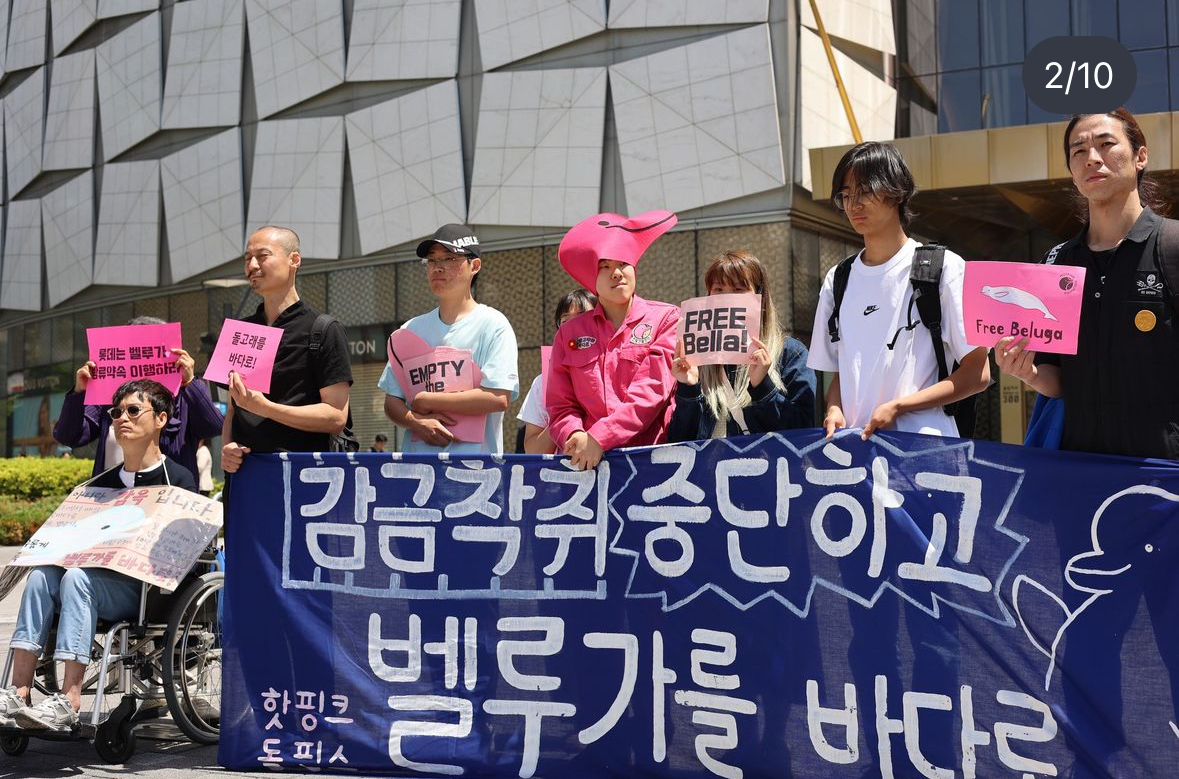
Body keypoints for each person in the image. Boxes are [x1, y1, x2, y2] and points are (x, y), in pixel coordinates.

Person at [0, 380, 199, 731]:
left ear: (161, 419)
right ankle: (18, 691)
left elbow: (183, 548)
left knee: (77, 579)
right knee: (42, 576)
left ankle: (70, 700)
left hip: (142, 591)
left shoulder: (178, 481)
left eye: (133, 410)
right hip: (91, 578)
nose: (122, 418)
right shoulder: (99, 483)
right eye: (116, 412)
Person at [997, 107, 1179, 460]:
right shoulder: (1057, 262)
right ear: (1071, 171)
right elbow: (1058, 377)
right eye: (1078, 151)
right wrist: (1029, 373)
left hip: (1165, 479)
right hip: (1080, 476)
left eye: (1106, 144)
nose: (1092, 158)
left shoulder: (1172, 246)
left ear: (1140, 156)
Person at [808, 141, 990, 439]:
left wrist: (900, 406)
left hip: (924, 456)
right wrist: (834, 409)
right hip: (857, 457)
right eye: (846, 195)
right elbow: (841, 374)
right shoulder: (838, 278)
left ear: (898, 190)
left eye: (865, 191)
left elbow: (978, 373)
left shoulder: (945, 268)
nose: (854, 204)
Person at [546, 211, 680, 470]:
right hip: (588, 466)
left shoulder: (667, 317)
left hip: (654, 460)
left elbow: (651, 391)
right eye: (604, 266)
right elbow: (559, 405)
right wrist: (574, 436)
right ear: (590, 278)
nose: (616, 273)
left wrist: (599, 438)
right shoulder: (568, 333)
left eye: (623, 264)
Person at [221, 226, 353, 475]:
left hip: (307, 478)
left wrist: (266, 408)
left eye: (262, 256)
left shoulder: (323, 329)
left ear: (294, 260)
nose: (252, 266)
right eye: (247, 258)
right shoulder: (240, 330)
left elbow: (336, 416)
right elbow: (232, 410)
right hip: (246, 476)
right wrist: (227, 447)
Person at [380, 224, 519, 454]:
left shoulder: (493, 325)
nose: (439, 268)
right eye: (432, 261)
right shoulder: (409, 330)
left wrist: (429, 400)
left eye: (450, 259)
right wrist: (416, 421)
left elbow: (498, 397)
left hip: (477, 473)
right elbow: (392, 401)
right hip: (418, 473)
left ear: (474, 265)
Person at [668, 250, 816, 440]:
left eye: (738, 290)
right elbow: (678, 441)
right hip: (712, 468)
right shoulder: (698, 358)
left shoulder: (790, 353)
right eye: (719, 290)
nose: (727, 299)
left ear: (759, 295)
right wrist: (689, 388)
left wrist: (763, 386)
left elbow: (803, 431)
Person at [53, 316, 223, 476]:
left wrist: (189, 382)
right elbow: (69, 436)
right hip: (113, 501)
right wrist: (79, 392)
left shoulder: (184, 393)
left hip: (167, 500)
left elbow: (214, 426)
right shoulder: (109, 397)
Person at [517, 290, 597, 454]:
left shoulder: (616, 370)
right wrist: (562, 415)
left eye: (583, 317)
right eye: (566, 321)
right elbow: (533, 451)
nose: (574, 327)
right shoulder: (542, 383)